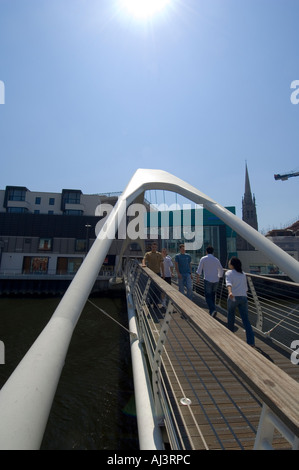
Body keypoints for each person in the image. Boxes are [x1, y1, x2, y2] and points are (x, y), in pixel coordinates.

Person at [225, 257, 255, 347]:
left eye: (229, 263)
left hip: (233, 297)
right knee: (246, 320)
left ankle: (230, 338)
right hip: (243, 297)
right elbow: (246, 288)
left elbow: (228, 283)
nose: (228, 264)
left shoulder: (228, 273)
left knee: (231, 316)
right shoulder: (243, 274)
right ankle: (251, 342)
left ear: (232, 265)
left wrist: (230, 292)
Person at [196, 246, 223, 317]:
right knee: (213, 295)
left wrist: (197, 278)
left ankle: (213, 310)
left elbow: (199, 269)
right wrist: (219, 276)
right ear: (213, 252)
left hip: (208, 279)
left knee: (208, 296)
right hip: (216, 280)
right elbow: (221, 269)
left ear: (206, 251)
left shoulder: (203, 258)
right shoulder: (216, 259)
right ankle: (212, 311)